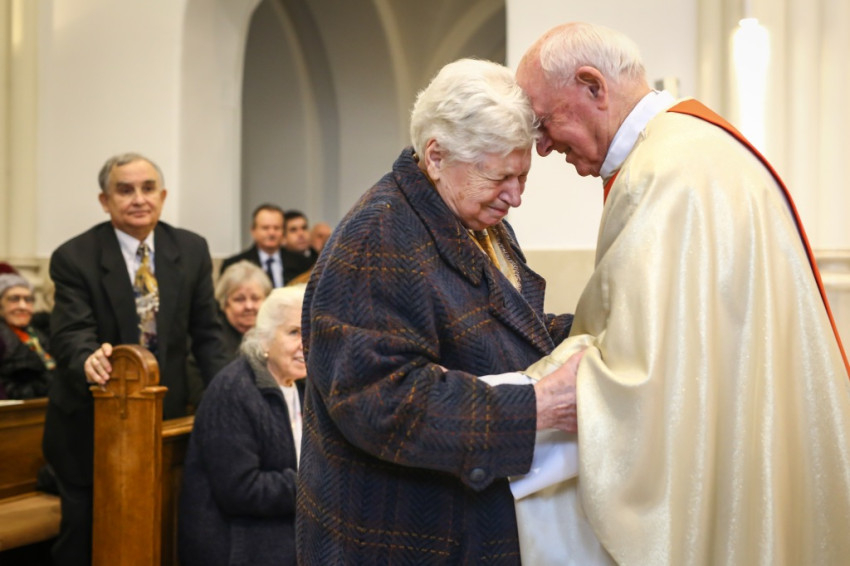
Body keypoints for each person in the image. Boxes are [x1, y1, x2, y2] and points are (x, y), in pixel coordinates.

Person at [511, 22, 850, 565]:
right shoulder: (692, 150)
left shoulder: (663, 176)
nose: (544, 147)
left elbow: (638, 376)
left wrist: (509, 396)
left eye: (544, 122)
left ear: (593, 86)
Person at [297, 58, 577, 564]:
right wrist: (534, 407)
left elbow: (509, 328)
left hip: (459, 526)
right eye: (501, 176)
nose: (515, 197)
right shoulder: (378, 235)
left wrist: (597, 330)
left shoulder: (476, 219)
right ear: (436, 156)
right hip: (400, 538)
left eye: (523, 176)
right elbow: (381, 402)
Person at [43, 152, 230, 566]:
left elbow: (208, 336)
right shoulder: (74, 256)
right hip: (90, 426)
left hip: (166, 419)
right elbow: (71, 334)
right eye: (125, 190)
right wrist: (88, 359)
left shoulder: (191, 249)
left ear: (162, 196)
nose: (138, 199)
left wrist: (226, 396)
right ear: (105, 201)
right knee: (86, 537)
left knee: (162, 529)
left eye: (148, 189)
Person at [179, 285, 306, 566]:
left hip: (284, 531)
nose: (305, 344)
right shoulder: (234, 390)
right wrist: (314, 486)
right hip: (237, 546)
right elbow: (240, 490)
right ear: (264, 339)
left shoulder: (303, 387)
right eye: (294, 332)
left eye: (311, 332)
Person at [185, 260, 272, 407]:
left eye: (255, 298)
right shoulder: (210, 342)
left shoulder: (272, 335)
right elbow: (200, 396)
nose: (249, 306)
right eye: (239, 299)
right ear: (224, 303)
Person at [220, 204, 312, 287]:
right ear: (253, 231)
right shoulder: (234, 264)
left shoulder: (303, 263)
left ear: (283, 231)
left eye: (276, 228)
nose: (271, 233)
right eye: (265, 228)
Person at [0, 273, 54, 399]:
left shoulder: (40, 332)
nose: (23, 306)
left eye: (28, 299)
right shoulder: (2, 338)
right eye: (14, 299)